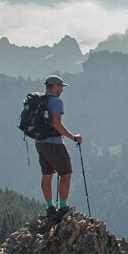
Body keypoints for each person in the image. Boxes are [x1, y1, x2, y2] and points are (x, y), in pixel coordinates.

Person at [36, 75, 83, 221]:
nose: (62, 89)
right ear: (55, 86)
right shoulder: (56, 102)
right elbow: (57, 124)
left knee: (47, 174)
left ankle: (50, 207)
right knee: (66, 172)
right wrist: (73, 137)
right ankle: (63, 207)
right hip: (54, 143)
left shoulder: (40, 101)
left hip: (40, 143)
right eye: (61, 86)